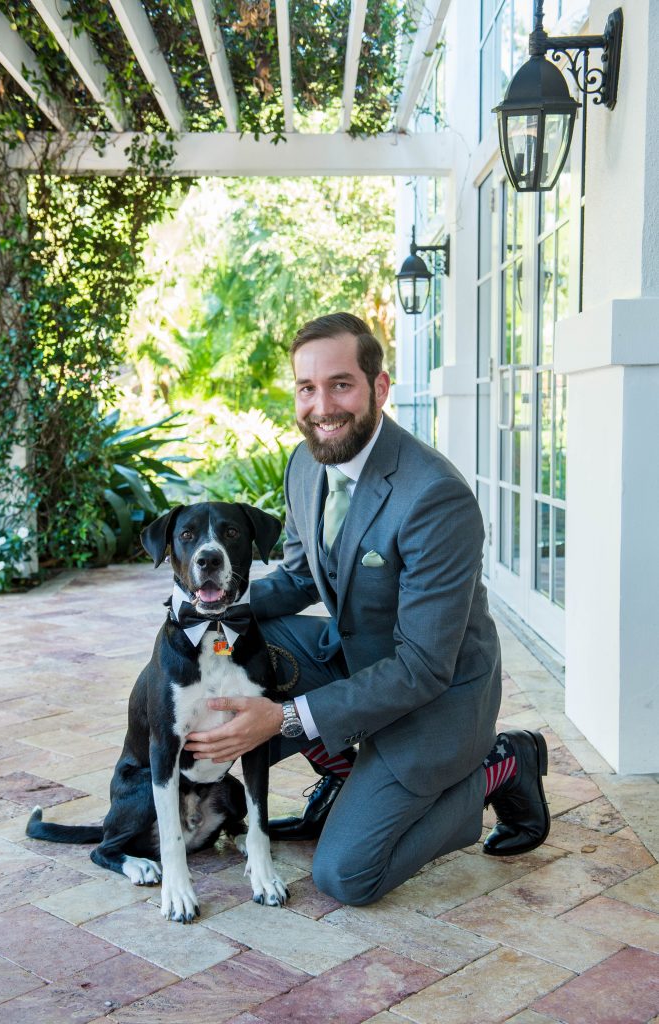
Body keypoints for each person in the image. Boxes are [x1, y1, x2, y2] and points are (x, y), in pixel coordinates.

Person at [184, 312, 550, 906]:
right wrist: (209, 607)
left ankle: (502, 763)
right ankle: (346, 773)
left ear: (379, 388)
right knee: (248, 638)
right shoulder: (305, 465)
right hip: (357, 658)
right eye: (307, 388)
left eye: (340, 384)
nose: (321, 404)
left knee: (347, 876)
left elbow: (423, 668)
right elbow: (302, 577)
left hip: (438, 697)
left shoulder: (434, 497)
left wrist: (285, 718)